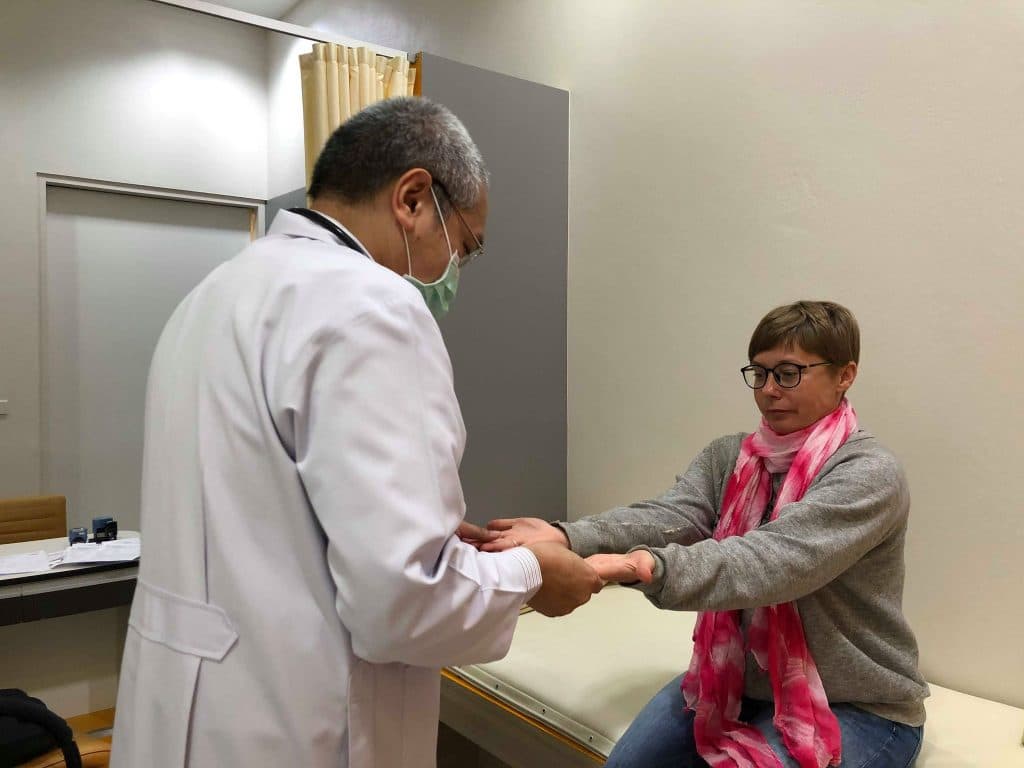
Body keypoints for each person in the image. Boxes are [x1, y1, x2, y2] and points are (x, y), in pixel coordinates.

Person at [110, 97, 602, 768]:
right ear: (413, 199)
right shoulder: (372, 304)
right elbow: (402, 605)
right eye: (465, 244)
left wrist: (423, 539)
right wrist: (532, 575)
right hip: (295, 727)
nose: (455, 268)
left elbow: (259, 510)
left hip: (188, 711)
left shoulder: (216, 293)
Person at [465, 301, 929, 768]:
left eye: (789, 373)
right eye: (760, 373)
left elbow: (774, 560)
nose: (769, 390)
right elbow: (672, 516)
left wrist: (643, 566)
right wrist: (566, 537)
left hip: (859, 707)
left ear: (845, 374)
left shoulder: (868, 473)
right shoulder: (731, 456)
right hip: (740, 683)